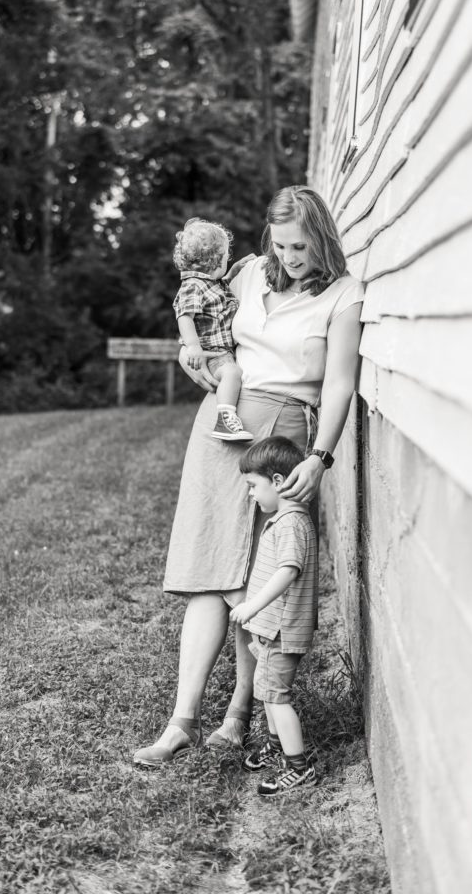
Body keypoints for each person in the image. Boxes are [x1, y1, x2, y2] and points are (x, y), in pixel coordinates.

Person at [133, 185, 363, 768]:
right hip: (221, 426)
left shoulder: (341, 295)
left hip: (283, 435)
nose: (289, 257)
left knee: (255, 579)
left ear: (323, 239)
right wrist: (197, 362)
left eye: (301, 245)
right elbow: (205, 329)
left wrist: (321, 456)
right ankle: (181, 720)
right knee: (211, 566)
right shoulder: (248, 276)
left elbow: (338, 384)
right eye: (281, 244)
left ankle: (240, 711)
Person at [230, 436, 318, 798]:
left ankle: (299, 767)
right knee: (268, 694)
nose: (252, 494)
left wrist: (253, 607)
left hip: (281, 631)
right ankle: (274, 746)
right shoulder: (284, 519)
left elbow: (288, 570)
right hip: (272, 632)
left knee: (277, 698)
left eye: (254, 486)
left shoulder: (291, 523)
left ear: (279, 481)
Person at [173, 218, 253, 442]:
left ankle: (226, 416)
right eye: (228, 256)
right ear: (215, 259)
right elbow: (185, 316)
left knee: (232, 373)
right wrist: (193, 347)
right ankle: (225, 419)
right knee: (232, 373)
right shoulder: (192, 286)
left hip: (219, 351)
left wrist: (234, 271)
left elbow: (218, 293)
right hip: (210, 353)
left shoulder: (209, 284)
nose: (229, 258)